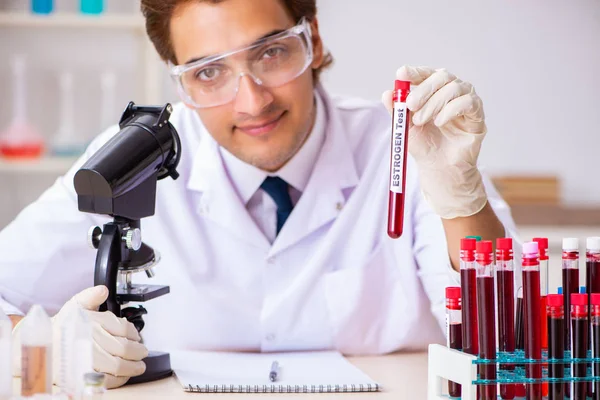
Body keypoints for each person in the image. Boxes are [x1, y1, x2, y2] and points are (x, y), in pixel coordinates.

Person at [0, 0, 519, 389]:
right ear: (179, 83)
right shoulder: (130, 162)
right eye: (208, 72)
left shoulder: (407, 144)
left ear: (311, 37)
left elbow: (506, 341)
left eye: (271, 52)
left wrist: (461, 200)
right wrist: (48, 341)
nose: (251, 101)